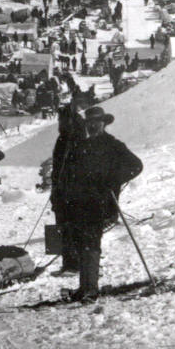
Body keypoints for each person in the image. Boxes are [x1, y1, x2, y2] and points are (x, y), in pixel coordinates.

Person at [61, 106, 143, 304]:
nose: (92, 125)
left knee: (91, 242)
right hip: (80, 201)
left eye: (96, 122)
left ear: (104, 123)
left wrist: (113, 179)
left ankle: (91, 289)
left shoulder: (113, 144)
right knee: (82, 243)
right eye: (89, 122)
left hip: (102, 202)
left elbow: (136, 165)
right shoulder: (81, 146)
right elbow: (72, 172)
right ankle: (84, 287)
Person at [50, 105, 87, 276]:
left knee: (70, 226)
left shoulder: (75, 139)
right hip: (62, 189)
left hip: (71, 191)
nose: (59, 123)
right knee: (64, 226)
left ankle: (74, 264)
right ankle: (70, 263)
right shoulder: (64, 138)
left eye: (60, 120)